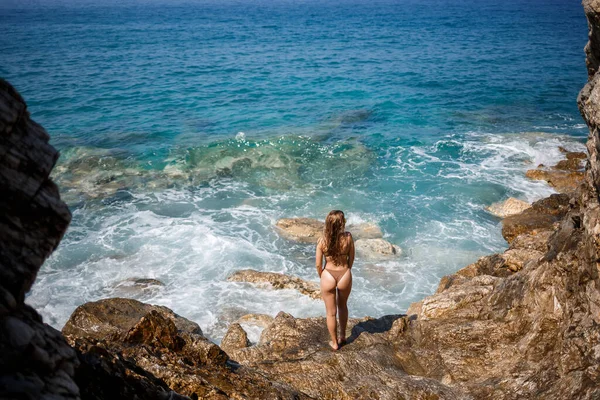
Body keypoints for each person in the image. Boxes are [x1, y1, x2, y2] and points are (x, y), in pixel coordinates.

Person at [315, 210, 354, 350]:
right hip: (344, 273)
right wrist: (347, 270)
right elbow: (351, 258)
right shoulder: (348, 237)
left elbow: (318, 264)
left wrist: (322, 275)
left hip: (328, 275)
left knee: (331, 312)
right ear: (342, 223)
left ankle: (334, 342)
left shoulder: (322, 241)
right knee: (343, 306)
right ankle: (343, 336)